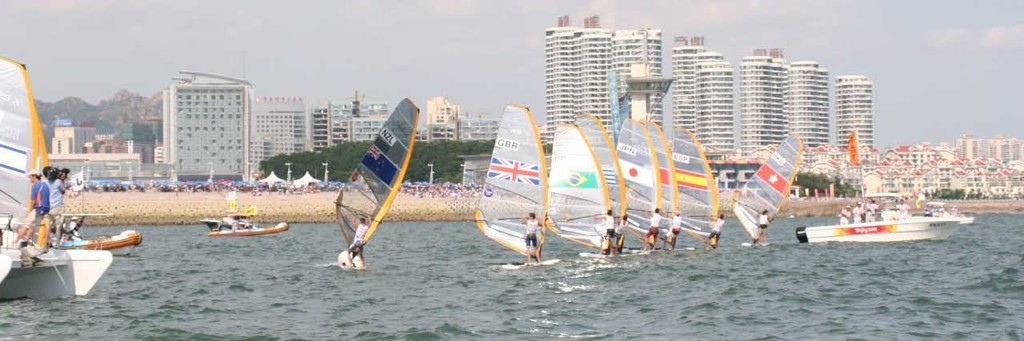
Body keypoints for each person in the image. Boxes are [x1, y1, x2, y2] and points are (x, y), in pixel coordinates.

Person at [17, 170, 50, 267]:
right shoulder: (45, 185)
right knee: (36, 227)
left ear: (34, 176)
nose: (29, 179)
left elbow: (32, 200)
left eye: (30, 177)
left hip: (38, 209)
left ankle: (17, 243)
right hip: (45, 209)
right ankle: (39, 246)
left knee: (25, 225)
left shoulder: (36, 185)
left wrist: (29, 212)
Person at [46, 168, 68, 246]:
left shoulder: (47, 182)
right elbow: (63, 191)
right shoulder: (58, 182)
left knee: (49, 226)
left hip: (49, 207)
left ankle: (47, 242)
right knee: (59, 226)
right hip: (58, 206)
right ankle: (57, 244)